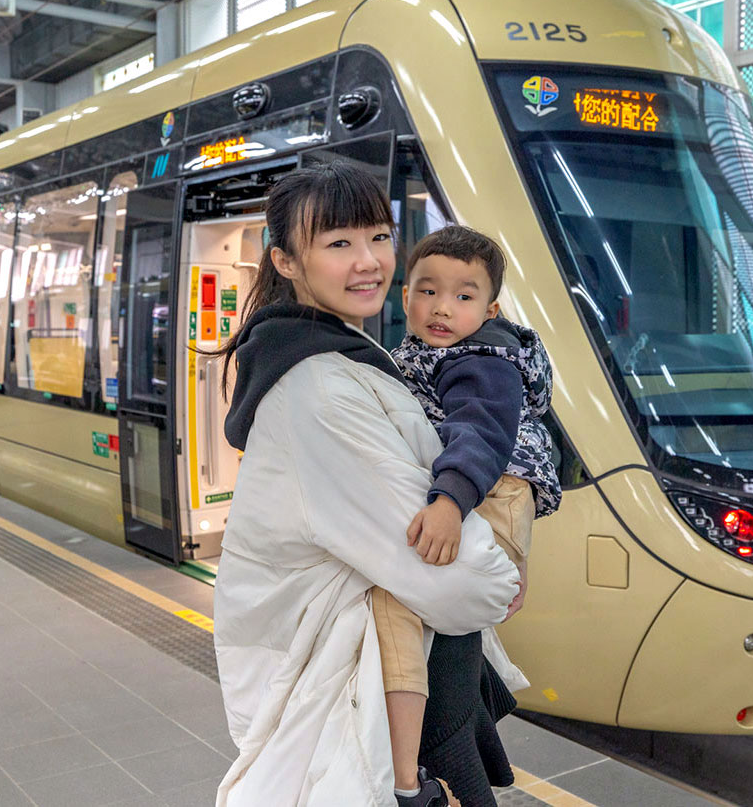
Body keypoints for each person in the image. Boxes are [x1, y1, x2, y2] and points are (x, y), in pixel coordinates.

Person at [211, 162, 521, 807]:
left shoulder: (342, 355)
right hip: (342, 722)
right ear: (287, 261)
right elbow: (459, 578)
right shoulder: (321, 387)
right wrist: (506, 575)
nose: (369, 262)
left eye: (379, 237)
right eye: (338, 243)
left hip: (352, 709)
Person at [373, 226, 561, 805]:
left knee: (395, 598)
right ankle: (453, 741)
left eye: (463, 296)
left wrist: (450, 502)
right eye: (427, 291)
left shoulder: (486, 356)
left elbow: (479, 431)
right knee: (435, 613)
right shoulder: (417, 354)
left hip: (488, 490)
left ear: (490, 308)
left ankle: (414, 773)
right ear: (405, 297)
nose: (441, 308)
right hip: (490, 494)